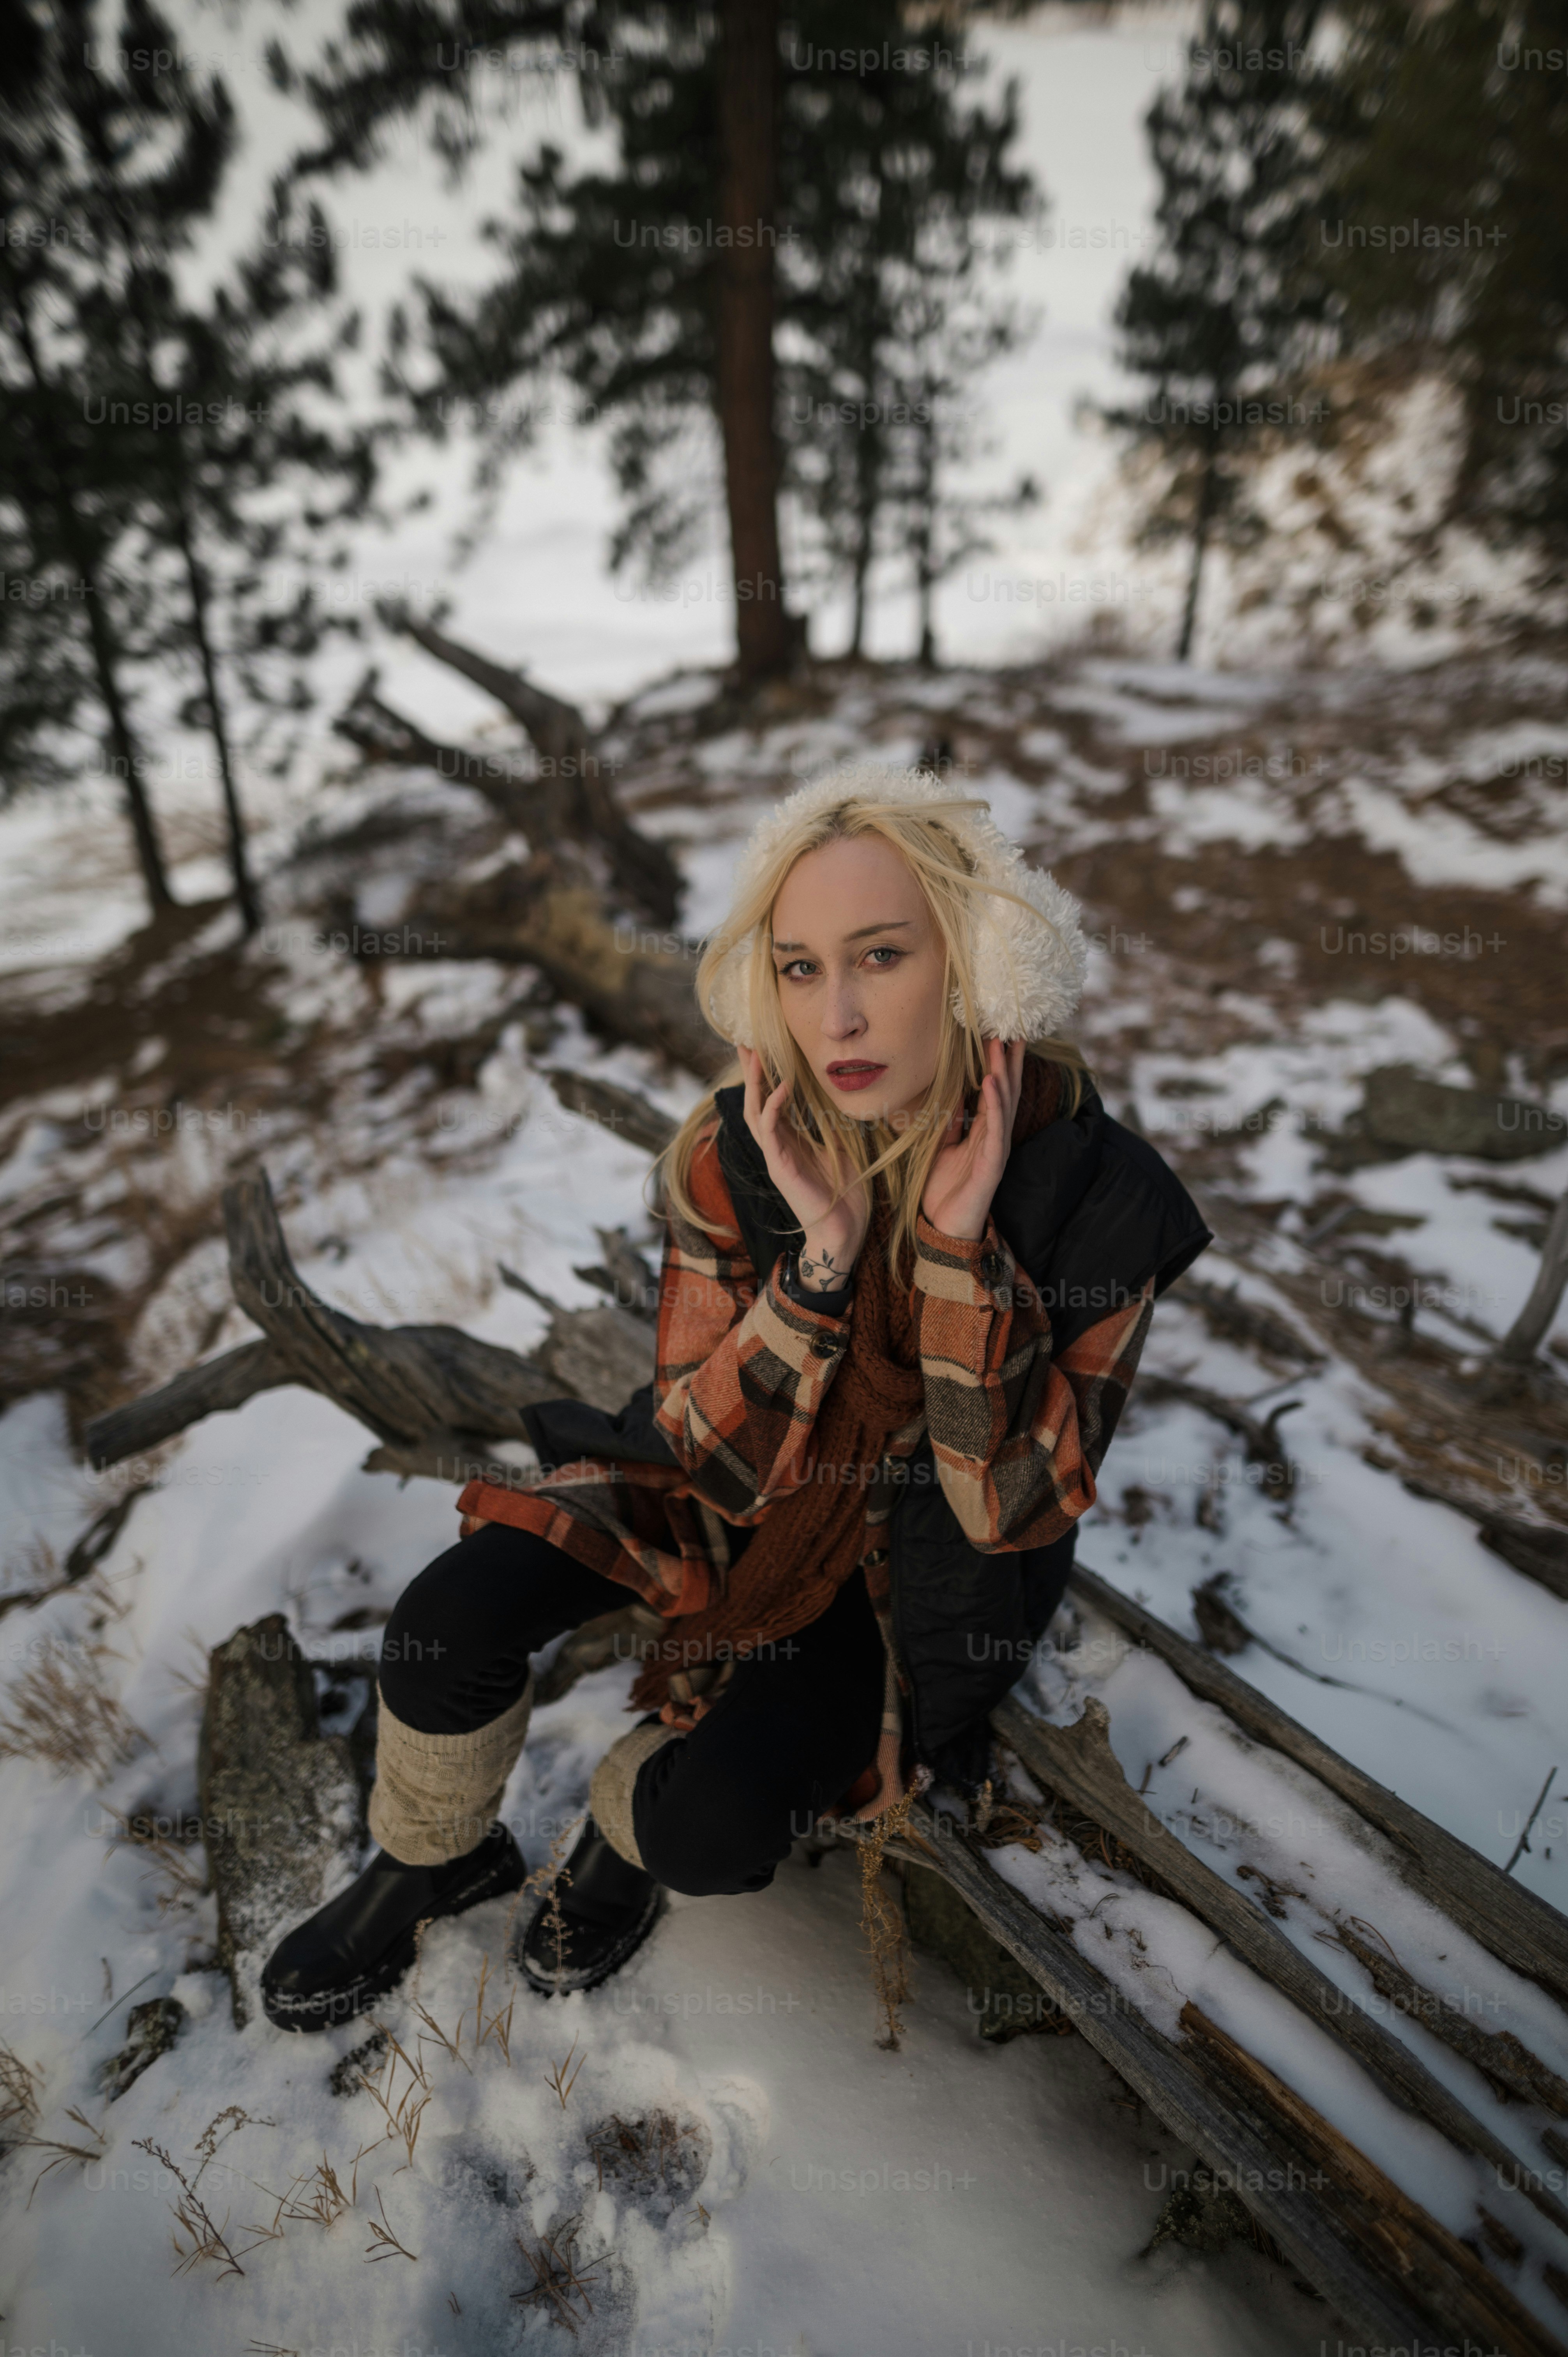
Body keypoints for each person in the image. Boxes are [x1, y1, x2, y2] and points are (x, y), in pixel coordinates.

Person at [261, 762, 1210, 2030]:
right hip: (737, 1499)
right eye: (803, 967)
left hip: (919, 1572)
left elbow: (1008, 1507)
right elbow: (704, 1455)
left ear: (975, 962)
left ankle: (619, 1826)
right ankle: (432, 1855)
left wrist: (953, 1259)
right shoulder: (741, 1144)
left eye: (882, 955)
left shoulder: (1102, 1197)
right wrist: (820, 1266)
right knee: (443, 1628)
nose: (839, 1019)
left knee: (708, 1828)